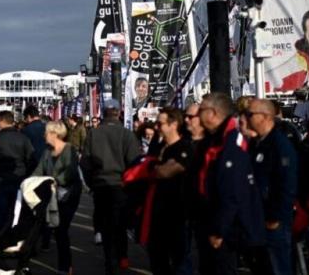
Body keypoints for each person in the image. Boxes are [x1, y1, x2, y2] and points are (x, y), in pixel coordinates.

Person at [195, 92, 270, 275]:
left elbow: (232, 191)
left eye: (201, 111)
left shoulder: (231, 143)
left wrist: (219, 230)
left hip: (230, 230)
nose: (197, 116)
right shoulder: (213, 140)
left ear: (212, 113)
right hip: (212, 222)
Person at [81, 98, 142, 275]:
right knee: (120, 224)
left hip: (101, 185)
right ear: (118, 112)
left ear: (103, 112)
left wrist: (91, 182)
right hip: (120, 186)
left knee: (106, 225)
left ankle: (110, 261)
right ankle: (122, 256)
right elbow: (135, 162)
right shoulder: (126, 134)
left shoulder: (94, 134)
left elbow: (85, 162)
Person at [246, 99, 298, 275]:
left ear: (266, 117)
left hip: (273, 221)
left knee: (278, 266)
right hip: (259, 218)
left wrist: (275, 218)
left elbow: (287, 183)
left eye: (250, 114)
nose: (247, 118)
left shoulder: (279, 144)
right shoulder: (257, 143)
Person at [147, 107, 193, 275]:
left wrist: (153, 167)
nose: (157, 127)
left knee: (180, 261)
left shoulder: (184, 147)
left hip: (177, 213)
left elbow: (164, 172)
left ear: (173, 124)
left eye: (160, 124)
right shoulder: (158, 146)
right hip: (156, 212)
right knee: (157, 260)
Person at [33, 121, 82, 275]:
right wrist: (29, 182)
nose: (44, 135)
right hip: (53, 195)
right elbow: (38, 170)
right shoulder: (47, 151)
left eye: (46, 132)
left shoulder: (69, 150)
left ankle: (65, 267)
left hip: (68, 195)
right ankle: (64, 265)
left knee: (61, 229)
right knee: (56, 228)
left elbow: (70, 172)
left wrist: (54, 180)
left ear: (54, 134)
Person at [0, 111, 35, 236]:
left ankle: (1, 237)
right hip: (20, 179)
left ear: (1, 121)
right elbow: (32, 159)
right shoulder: (23, 138)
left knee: (2, 211)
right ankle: (17, 236)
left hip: (2, 180)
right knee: (19, 211)